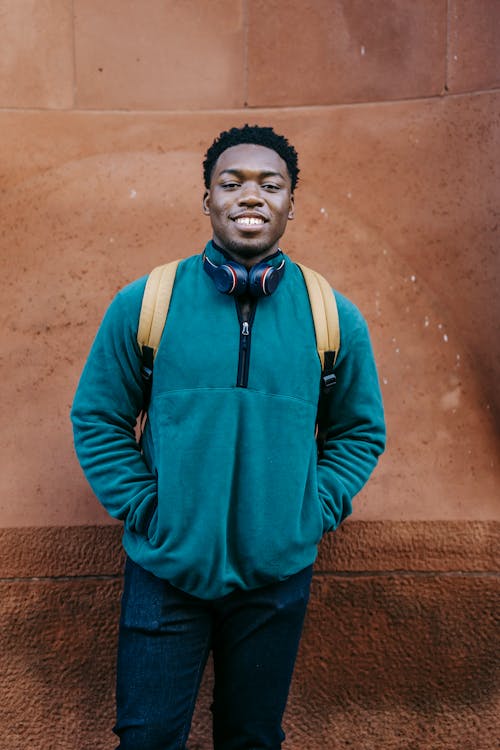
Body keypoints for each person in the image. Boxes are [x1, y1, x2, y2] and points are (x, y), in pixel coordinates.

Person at [71, 124, 385, 750]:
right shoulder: (147, 302)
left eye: (271, 185)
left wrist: (309, 511)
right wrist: (147, 510)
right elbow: (98, 418)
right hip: (166, 571)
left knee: (251, 737)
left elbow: (357, 431)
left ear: (291, 202)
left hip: (276, 577)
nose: (250, 196)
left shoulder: (331, 315)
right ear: (207, 197)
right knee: (147, 738)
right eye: (231, 182)